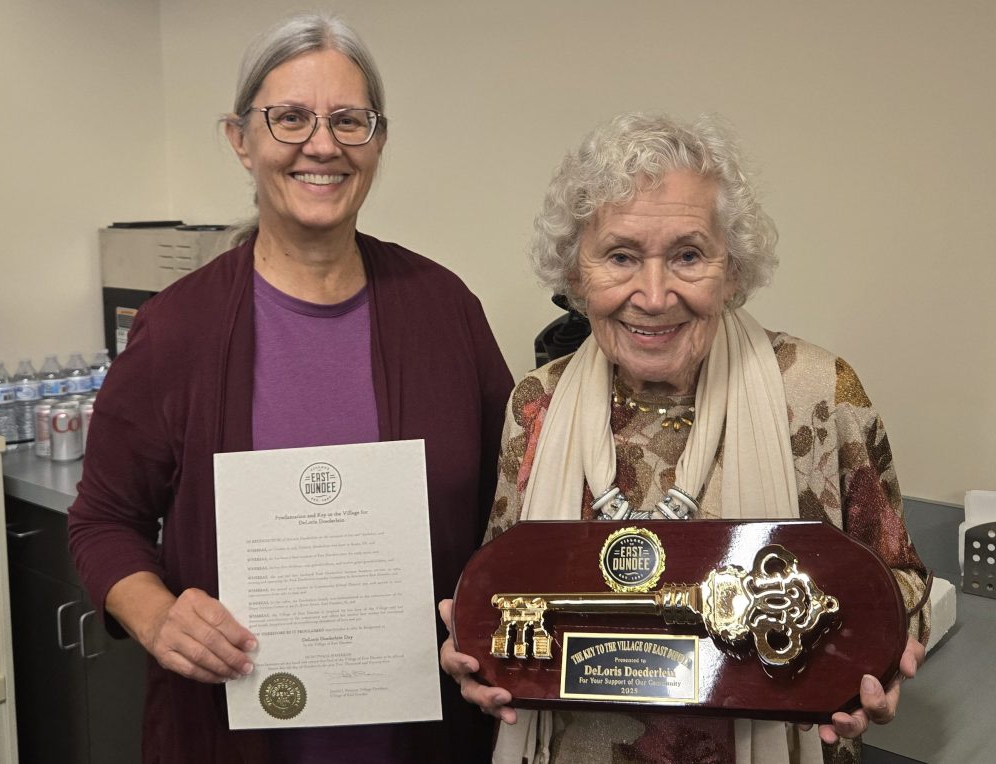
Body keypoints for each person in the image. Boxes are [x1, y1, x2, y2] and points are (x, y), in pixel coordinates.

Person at [68, 12, 512, 764]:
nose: (323, 144)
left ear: (376, 142)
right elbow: (102, 521)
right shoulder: (176, 331)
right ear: (241, 140)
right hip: (229, 732)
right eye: (290, 118)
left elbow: (516, 504)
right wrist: (155, 615)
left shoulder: (445, 311)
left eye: (349, 120)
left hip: (428, 737)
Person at [439, 113, 930, 764]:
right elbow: (505, 588)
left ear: (731, 268)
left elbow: (904, 584)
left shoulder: (817, 392)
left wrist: (883, 655)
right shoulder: (538, 404)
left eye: (688, 255)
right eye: (620, 256)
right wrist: (474, 647)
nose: (653, 294)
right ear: (577, 273)